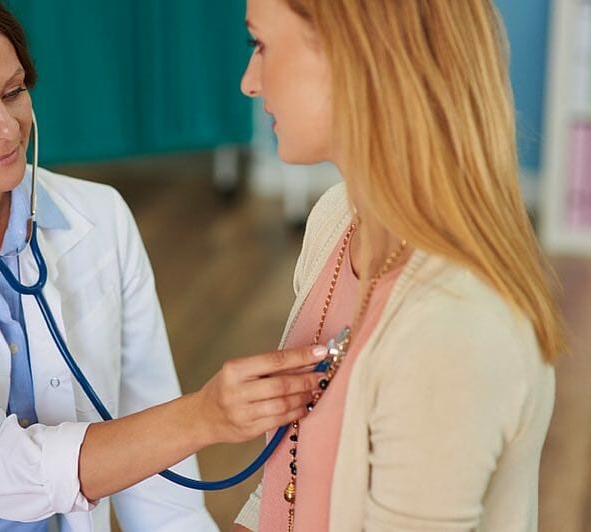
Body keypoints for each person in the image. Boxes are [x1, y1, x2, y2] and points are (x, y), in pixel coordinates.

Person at [0, 1, 328, 531]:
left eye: (13, 91)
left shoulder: (100, 218)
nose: (6, 128)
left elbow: (150, 436)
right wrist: (206, 415)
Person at [233, 0, 565, 531]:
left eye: (262, 45)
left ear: (354, 58)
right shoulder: (336, 222)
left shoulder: (454, 329)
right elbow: (290, 483)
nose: (250, 82)